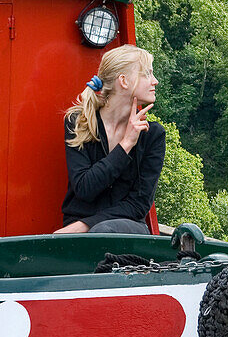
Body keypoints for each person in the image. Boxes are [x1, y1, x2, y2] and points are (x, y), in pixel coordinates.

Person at [56, 45, 164, 234]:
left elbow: (138, 204)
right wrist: (125, 146)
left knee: (103, 230)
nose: (154, 81)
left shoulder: (152, 135)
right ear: (124, 81)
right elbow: (84, 188)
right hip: (78, 229)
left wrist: (86, 225)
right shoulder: (79, 123)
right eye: (147, 74)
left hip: (127, 229)